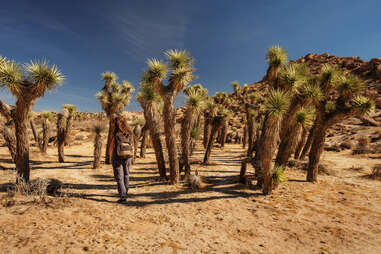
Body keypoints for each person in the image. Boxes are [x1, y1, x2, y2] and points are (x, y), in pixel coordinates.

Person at [109, 114, 137, 203]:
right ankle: (125, 193)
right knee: (126, 175)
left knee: (119, 177)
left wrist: (110, 157)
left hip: (117, 156)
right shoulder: (130, 133)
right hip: (128, 156)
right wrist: (134, 156)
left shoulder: (115, 133)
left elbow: (111, 147)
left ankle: (123, 196)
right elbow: (133, 145)